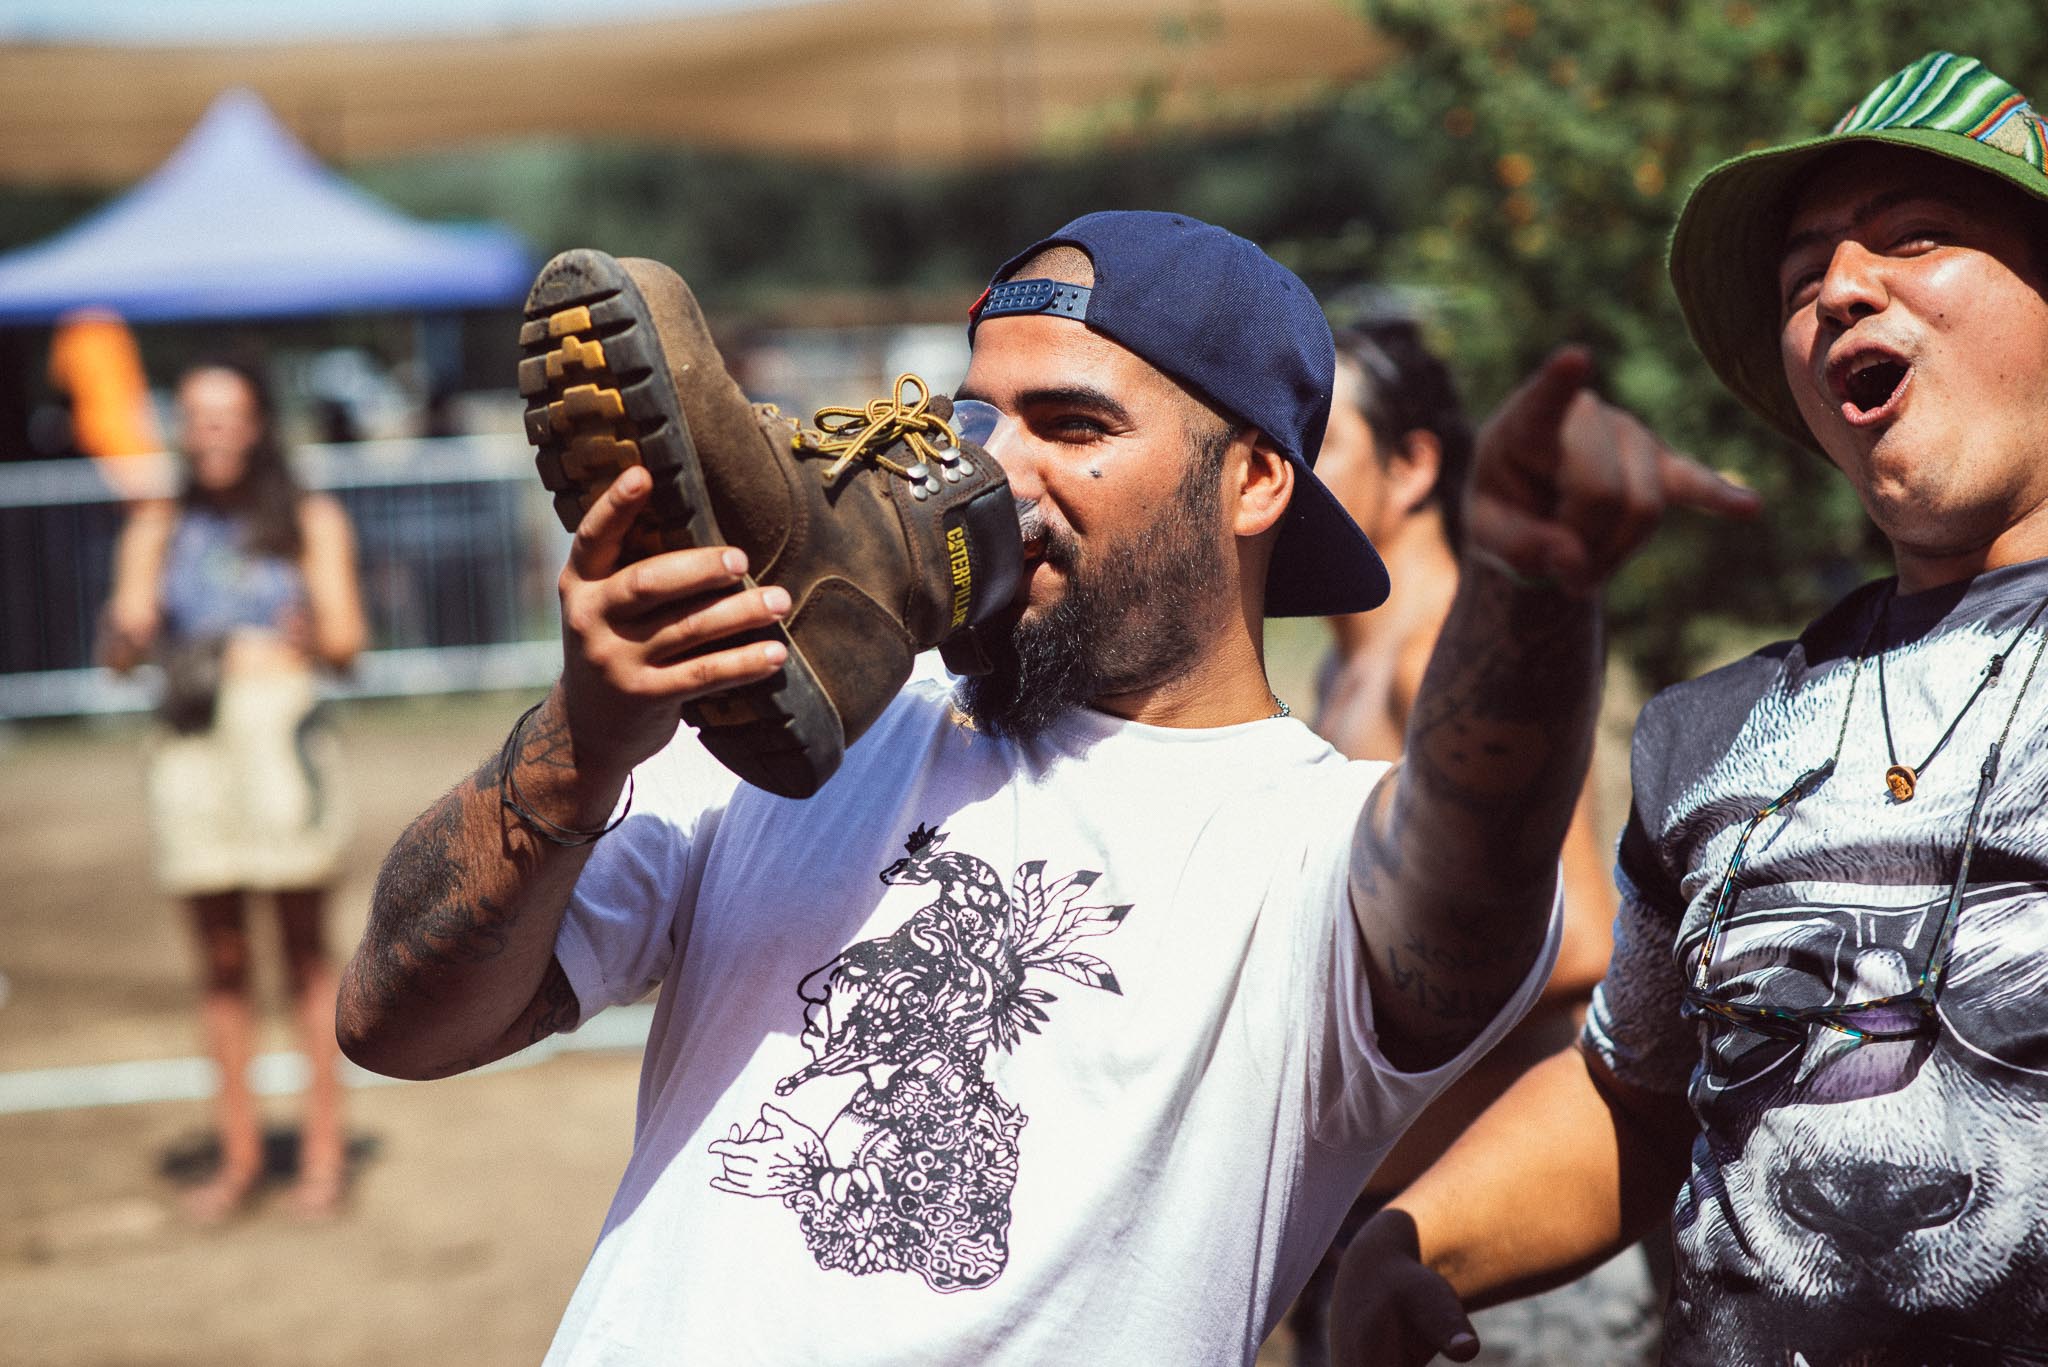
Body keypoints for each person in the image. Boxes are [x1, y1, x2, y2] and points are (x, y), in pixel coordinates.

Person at [337, 211, 1751, 1363]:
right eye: (968, 418)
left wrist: (1529, 591)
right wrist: (578, 745)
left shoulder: (1308, 842)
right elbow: (396, 1020)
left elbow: (1476, 842)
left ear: (1258, 478)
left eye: (1071, 424)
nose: (990, 470)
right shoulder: (803, 739)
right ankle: (795, 536)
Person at [1330, 51, 2048, 1366]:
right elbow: (1637, 1097)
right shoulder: (1714, 733)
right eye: (1803, 277)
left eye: (1916, 235)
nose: (1842, 287)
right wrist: (1408, 1233)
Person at [1289, 320, 1642, 1366]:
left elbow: (1581, 936)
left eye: (1319, 437)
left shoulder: (1445, 652)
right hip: (1386, 1235)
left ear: (1412, 466)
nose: (1279, 465)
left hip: (1498, 1266)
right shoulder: (1345, 669)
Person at [102, 356, 367, 1222]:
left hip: (276, 730)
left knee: (303, 957)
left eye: (228, 415)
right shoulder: (158, 526)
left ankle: (322, 1155)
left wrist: (315, 633)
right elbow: (120, 649)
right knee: (219, 964)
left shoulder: (309, 519)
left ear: (256, 427)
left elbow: (347, 645)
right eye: (197, 415)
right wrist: (128, 631)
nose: (211, 430)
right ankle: (240, 1155)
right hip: (191, 738)